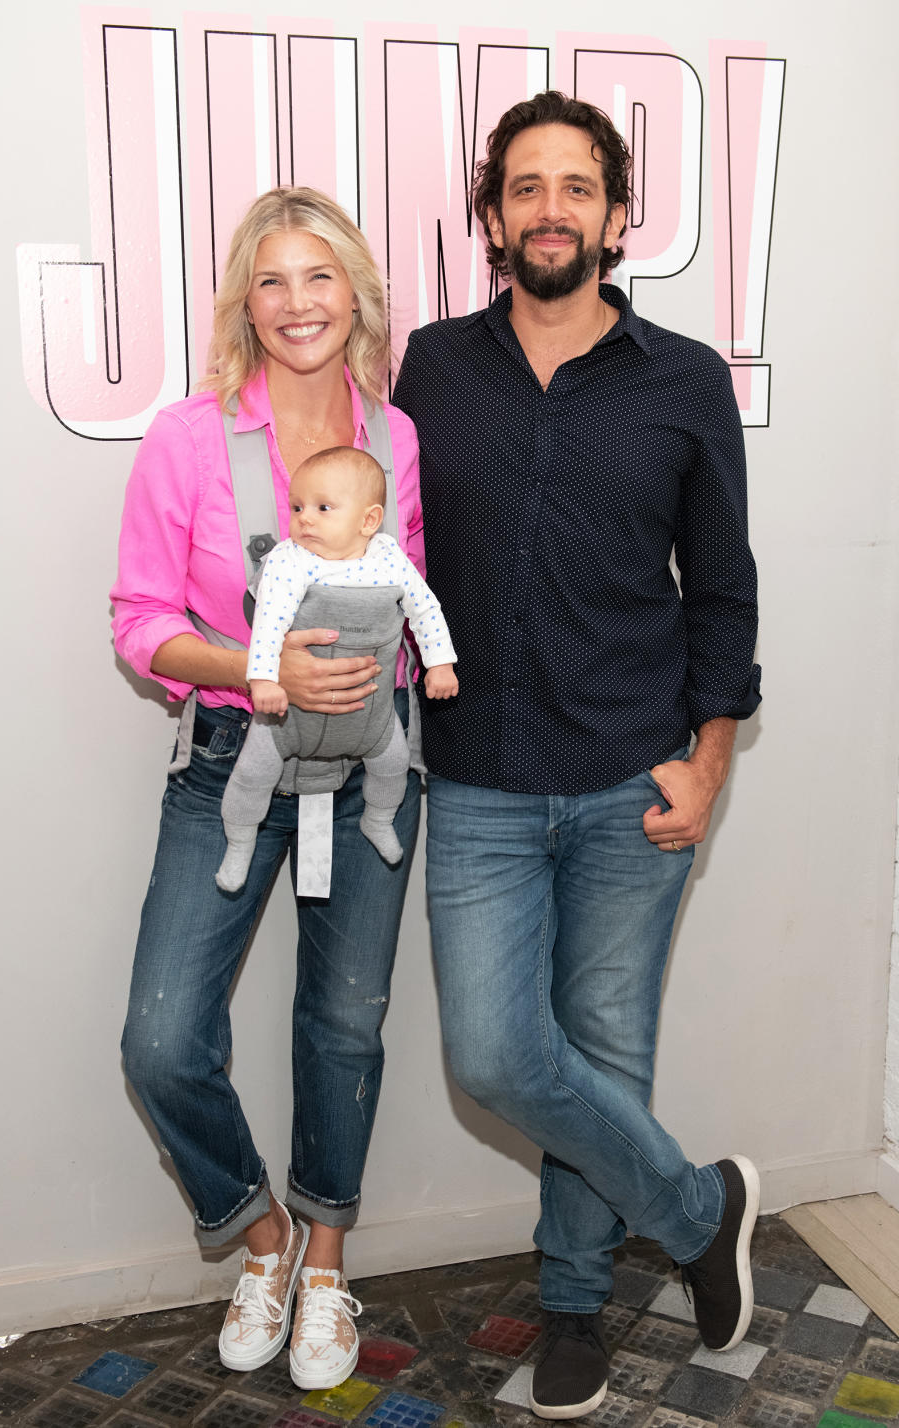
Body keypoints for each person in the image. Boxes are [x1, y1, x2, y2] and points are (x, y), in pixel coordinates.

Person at [393, 92, 762, 1420]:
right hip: (481, 773)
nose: (552, 209)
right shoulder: (429, 366)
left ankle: (570, 1310)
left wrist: (709, 763)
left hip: (632, 774)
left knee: (605, 1053)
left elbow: (722, 591)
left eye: (578, 186)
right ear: (490, 215)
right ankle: (696, 1207)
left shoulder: (684, 381)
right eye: (525, 187)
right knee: (497, 1055)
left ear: (619, 214)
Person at [113, 187, 426, 1391]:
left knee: (344, 1024)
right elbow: (139, 622)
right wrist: (262, 666)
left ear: (356, 294)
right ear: (246, 300)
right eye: (272, 280)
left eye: (320, 277)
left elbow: (411, 586)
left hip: (372, 767)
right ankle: (263, 1238)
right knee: (160, 1039)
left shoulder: (395, 438)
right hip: (228, 763)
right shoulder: (188, 437)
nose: (298, 304)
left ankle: (331, 1269)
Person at [216, 445, 457, 891]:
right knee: (254, 771)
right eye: (297, 506)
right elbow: (269, 623)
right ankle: (240, 840)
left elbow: (426, 610)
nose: (305, 518)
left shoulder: (389, 558)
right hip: (288, 719)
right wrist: (264, 678)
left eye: (323, 508)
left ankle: (378, 818)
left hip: (371, 717)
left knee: (395, 761)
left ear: (368, 521)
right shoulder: (291, 561)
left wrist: (439, 664)